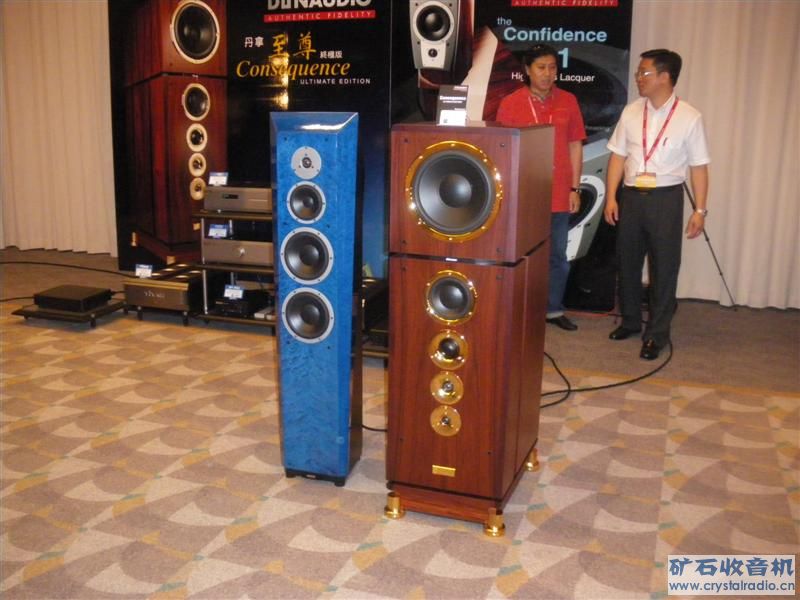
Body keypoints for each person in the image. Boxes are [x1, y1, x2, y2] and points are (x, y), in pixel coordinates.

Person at [603, 49, 710, 360]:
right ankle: (630, 321)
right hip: (631, 197)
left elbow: (699, 167)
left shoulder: (689, 117)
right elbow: (618, 156)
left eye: (644, 72)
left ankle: (657, 334)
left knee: (664, 267)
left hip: (666, 199)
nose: (638, 78)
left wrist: (700, 210)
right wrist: (611, 196)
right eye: (639, 72)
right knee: (627, 262)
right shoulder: (631, 112)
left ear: (665, 77)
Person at [496, 43, 586, 331]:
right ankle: (520, 310)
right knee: (521, 255)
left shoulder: (568, 100)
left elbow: (575, 146)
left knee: (557, 256)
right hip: (524, 195)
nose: (548, 74)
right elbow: (503, 151)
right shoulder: (511, 103)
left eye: (552, 67)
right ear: (527, 70)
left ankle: (553, 310)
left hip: (559, 192)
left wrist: (575, 188)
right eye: (541, 67)